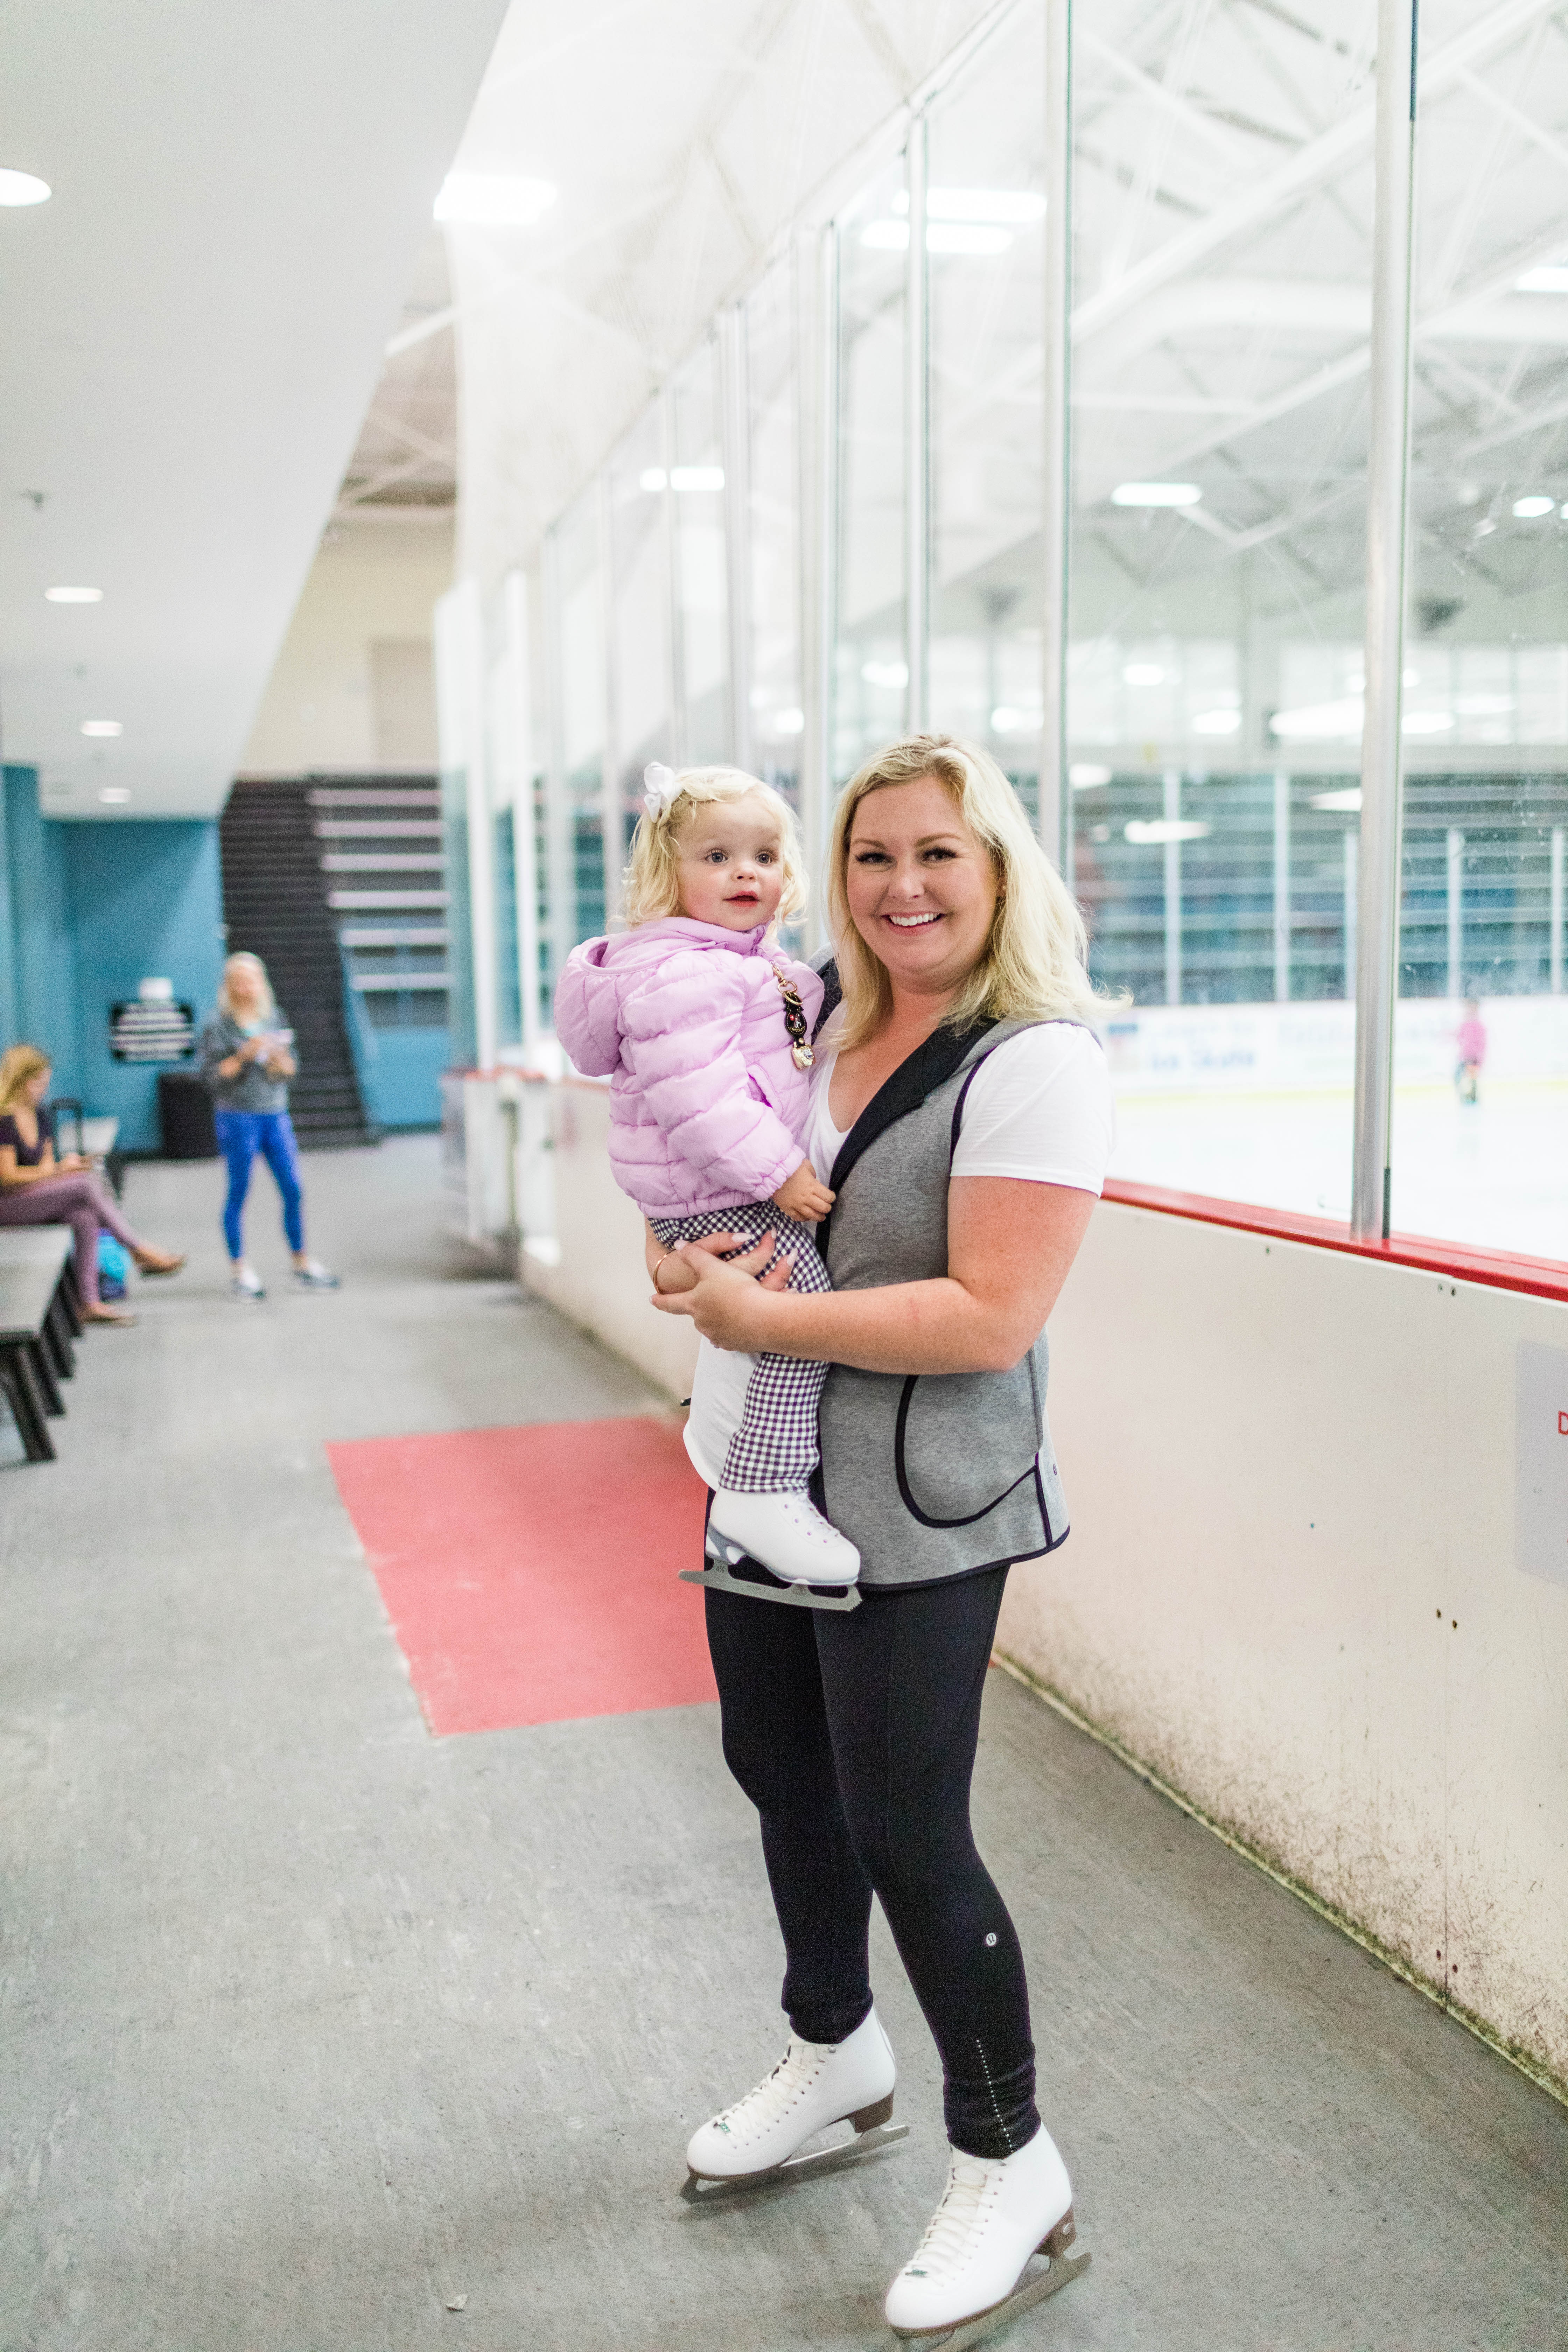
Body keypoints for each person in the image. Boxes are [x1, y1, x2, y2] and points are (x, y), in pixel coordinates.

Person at [648, 734, 1114, 2342]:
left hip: (921, 1511)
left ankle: (1012, 2156)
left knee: (909, 1823)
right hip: (763, 1484)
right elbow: (739, 1195)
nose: (904, 887)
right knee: (783, 1778)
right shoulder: (813, 1016)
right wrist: (703, 1262)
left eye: (939, 855)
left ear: (997, 871)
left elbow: (993, 1317)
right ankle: (838, 2051)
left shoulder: (1031, 1061)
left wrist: (752, 1301)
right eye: (873, 857)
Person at [554, 762, 858, 1590]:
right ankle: (760, 1492)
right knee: (798, 1325)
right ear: (667, 872)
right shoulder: (687, 973)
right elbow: (702, 1099)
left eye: (763, 855)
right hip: (730, 1191)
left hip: (706, 1196)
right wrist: (782, 1173)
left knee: (777, 1328)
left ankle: (749, 1476)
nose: (745, 873)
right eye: (717, 857)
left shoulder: (737, 964)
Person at [0, 1044, 185, 1326]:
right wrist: (61, 1171)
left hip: (34, 1197)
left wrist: (66, 1168)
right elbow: (8, 1178)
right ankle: (137, 1249)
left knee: (84, 1216)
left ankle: (88, 1303)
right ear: (22, 1081)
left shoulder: (41, 1116)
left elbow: (48, 1168)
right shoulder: (6, 1121)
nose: (42, 1088)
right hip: (9, 1205)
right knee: (85, 1185)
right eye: (37, 1082)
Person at [196, 953, 338, 1301]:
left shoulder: (273, 1018)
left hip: (275, 1113)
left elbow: (290, 1070)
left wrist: (281, 1061)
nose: (246, 988)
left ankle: (301, 1262)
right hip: (237, 1117)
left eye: (253, 980)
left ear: (263, 984)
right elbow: (212, 1078)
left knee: (293, 1188)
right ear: (229, 986)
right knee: (239, 1191)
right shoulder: (217, 1026)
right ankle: (239, 1269)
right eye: (239, 982)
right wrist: (245, 1055)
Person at [1455, 997, 1486, 1106]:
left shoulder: (1478, 1026)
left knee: (1472, 1080)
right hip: (1466, 1056)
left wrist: (1479, 1057)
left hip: (1474, 1057)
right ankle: (1467, 1098)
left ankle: (1472, 1099)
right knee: (1460, 1077)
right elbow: (1460, 1038)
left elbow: (1482, 1044)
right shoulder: (1466, 1024)